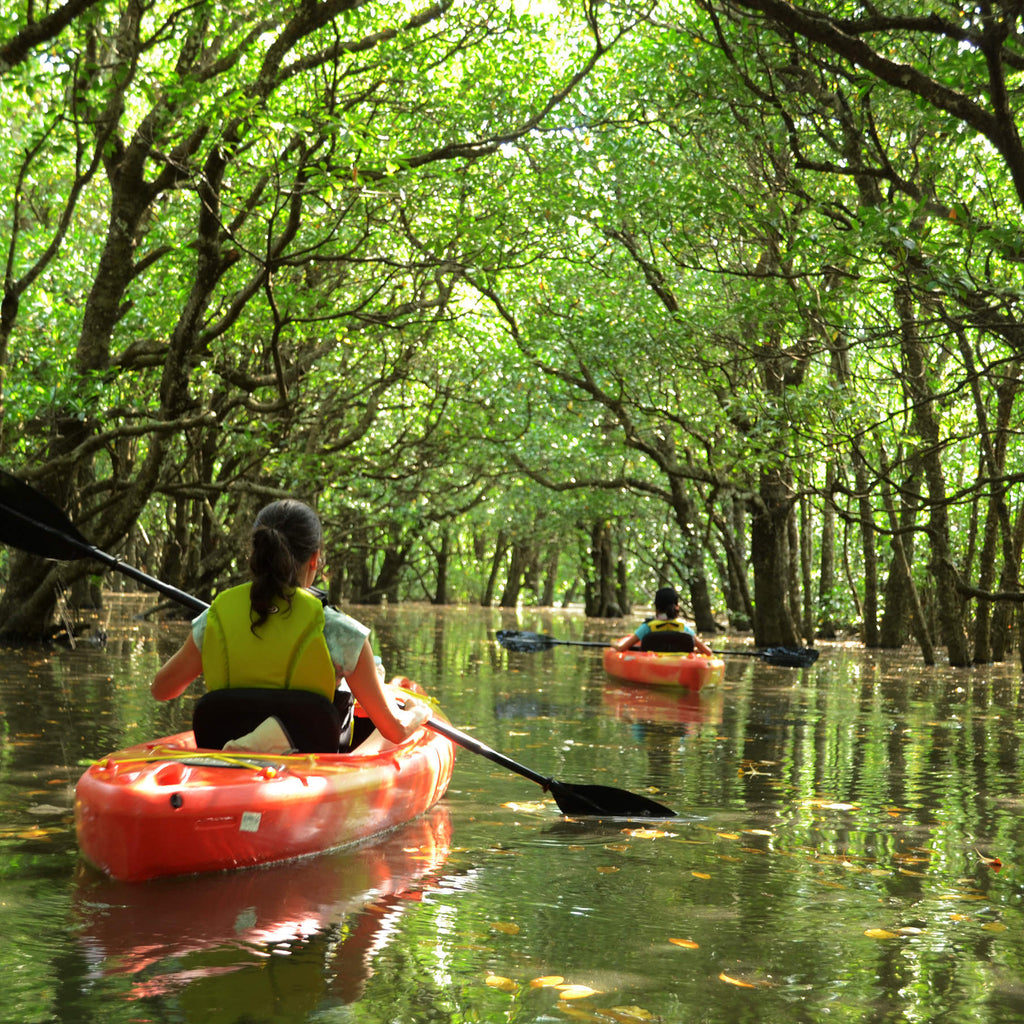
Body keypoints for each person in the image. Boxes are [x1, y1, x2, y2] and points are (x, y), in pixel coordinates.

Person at [151, 499, 431, 754]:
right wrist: (417, 711)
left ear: (255, 553)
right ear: (314, 558)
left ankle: (248, 746)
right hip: (308, 765)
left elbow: (161, 690)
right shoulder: (339, 631)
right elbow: (394, 730)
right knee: (379, 732)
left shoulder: (214, 619)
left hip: (225, 756)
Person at [612, 586, 714, 655]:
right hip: (678, 666)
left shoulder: (647, 627)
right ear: (677, 607)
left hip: (652, 665)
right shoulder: (684, 628)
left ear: (656, 607)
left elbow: (622, 648)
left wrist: (614, 645)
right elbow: (708, 652)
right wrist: (695, 650)